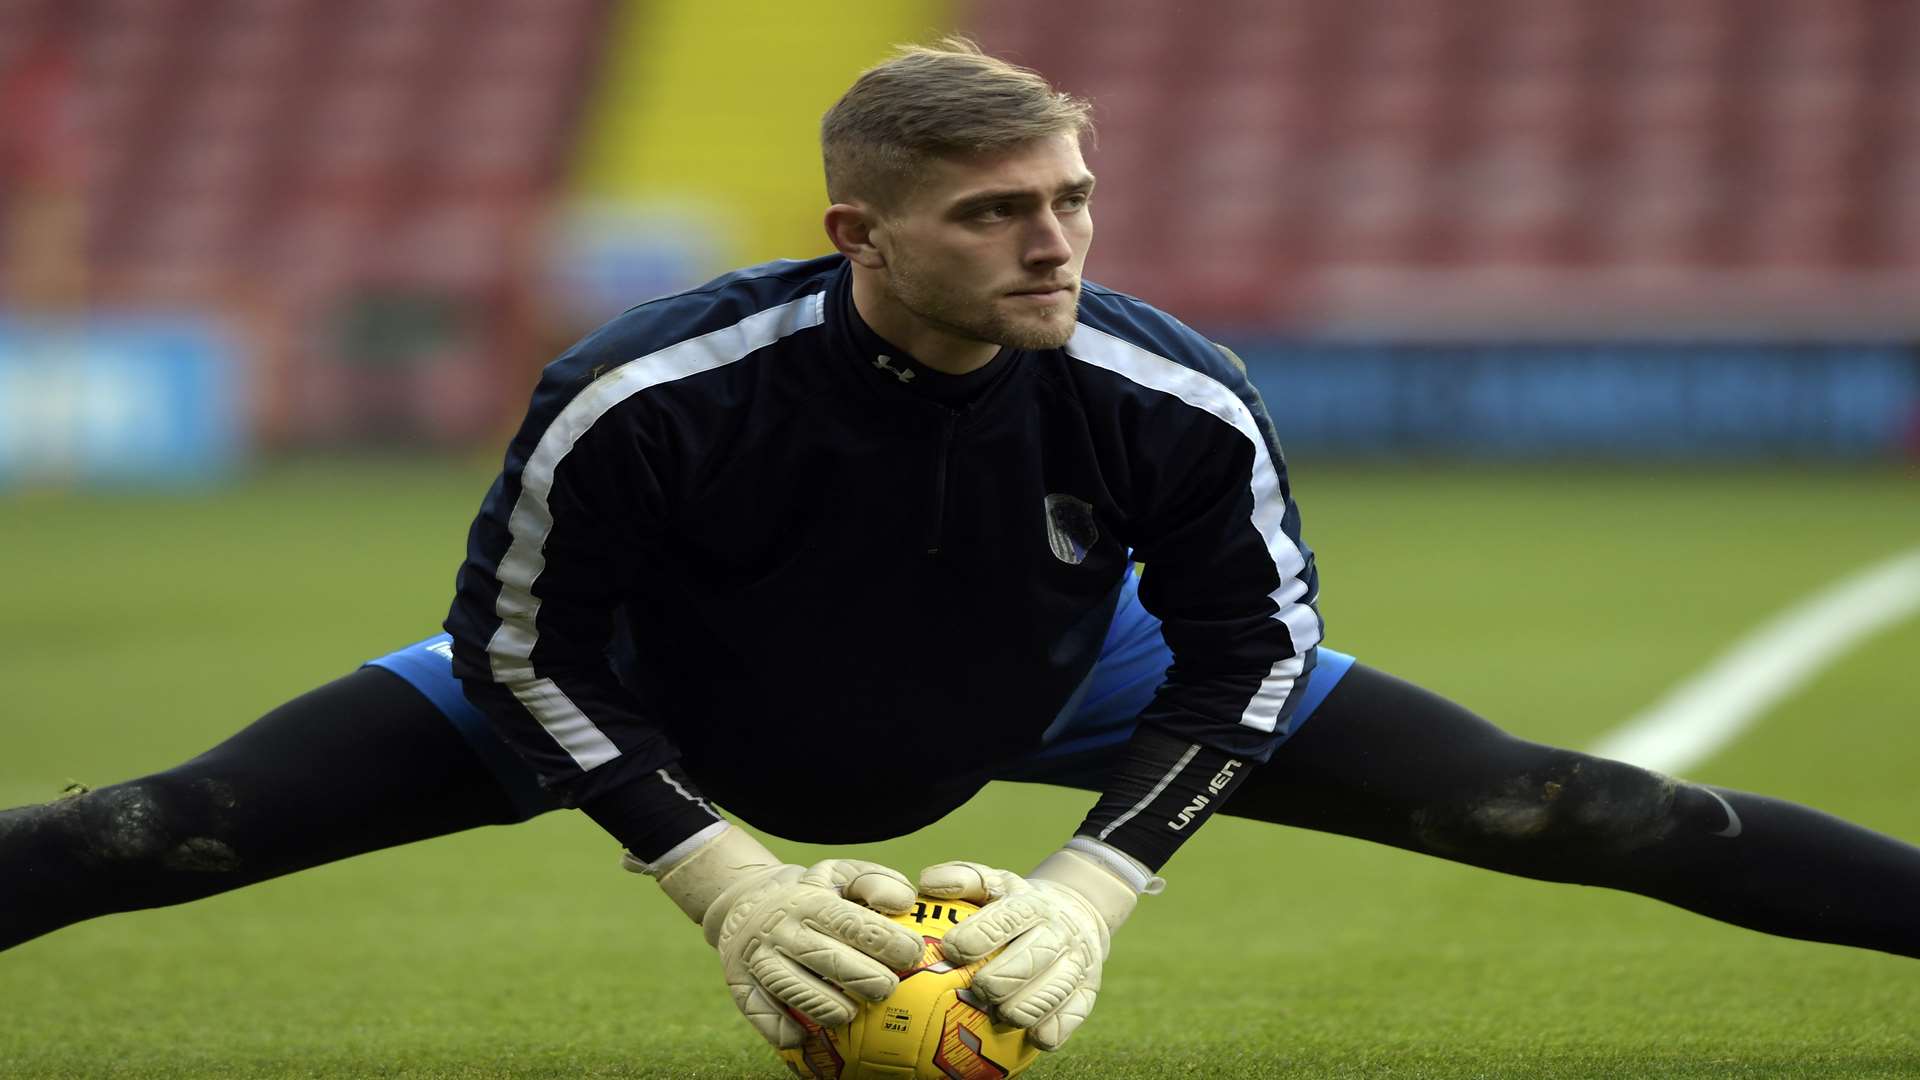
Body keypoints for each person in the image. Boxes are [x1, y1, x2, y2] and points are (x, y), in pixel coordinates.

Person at [5, 38, 1918, 1060]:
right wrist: (725, 882)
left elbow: (1254, 648)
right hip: (663, 683)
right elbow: (520, 653)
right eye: (1000, 212)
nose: (1056, 244)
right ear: (860, 230)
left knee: (1556, 806)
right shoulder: (648, 392)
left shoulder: (1167, 390)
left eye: (1073, 201)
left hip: (1065, 673)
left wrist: (1095, 889)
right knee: (151, 833)